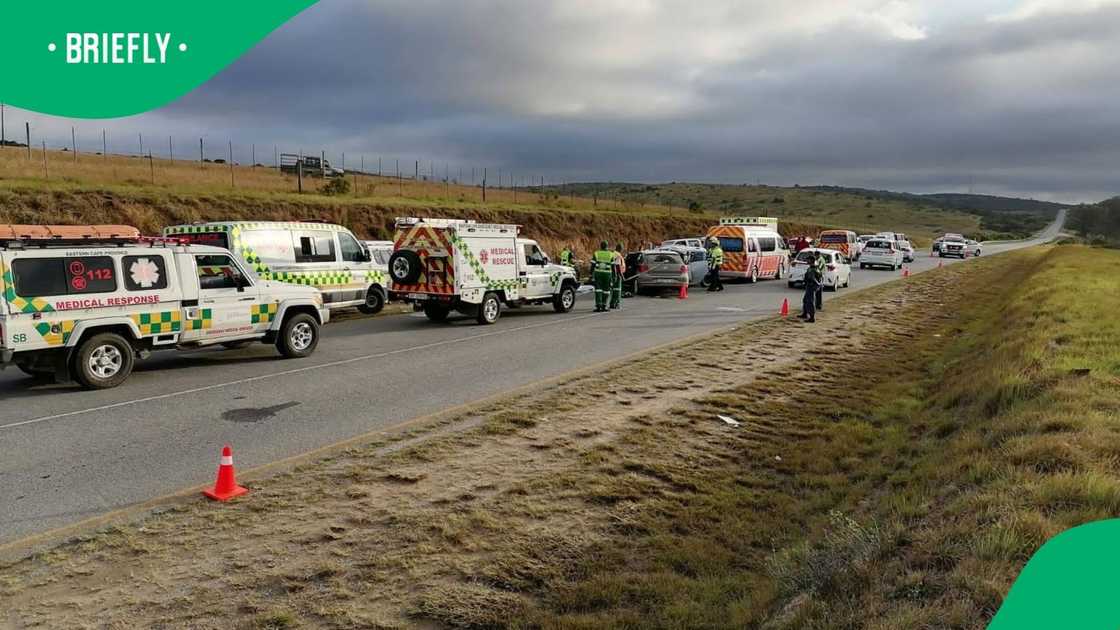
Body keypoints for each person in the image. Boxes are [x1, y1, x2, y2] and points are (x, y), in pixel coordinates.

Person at [592, 241, 615, 312]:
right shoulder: (611, 254)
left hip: (598, 273)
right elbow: (613, 266)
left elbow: (592, 265)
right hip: (607, 274)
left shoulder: (596, 253)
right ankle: (604, 306)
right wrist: (614, 275)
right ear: (607, 246)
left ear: (600, 246)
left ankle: (598, 306)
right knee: (606, 290)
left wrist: (590, 274)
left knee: (598, 289)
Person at [800, 251, 819, 323]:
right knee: (805, 300)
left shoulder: (812, 269)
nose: (806, 261)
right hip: (810, 286)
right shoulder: (812, 268)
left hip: (811, 287)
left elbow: (813, 279)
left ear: (811, 260)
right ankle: (805, 313)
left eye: (808, 259)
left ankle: (812, 317)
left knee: (810, 302)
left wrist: (810, 282)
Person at [610, 243, 626, 310]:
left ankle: (612, 303)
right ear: (620, 248)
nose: (622, 250)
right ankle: (616, 303)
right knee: (617, 290)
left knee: (614, 290)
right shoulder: (618, 255)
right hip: (617, 275)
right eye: (622, 249)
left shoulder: (613, 253)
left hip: (613, 274)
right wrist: (622, 276)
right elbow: (617, 266)